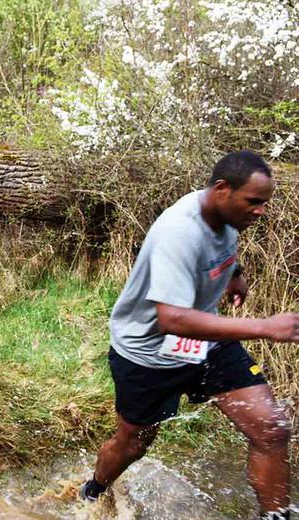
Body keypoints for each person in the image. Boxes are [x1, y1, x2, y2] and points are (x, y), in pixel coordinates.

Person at [81, 151, 297, 520]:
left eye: (264, 203)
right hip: (148, 354)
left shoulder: (226, 214)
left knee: (271, 429)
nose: (260, 211)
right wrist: (265, 327)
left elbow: (220, 244)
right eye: (254, 202)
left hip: (206, 342)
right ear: (222, 189)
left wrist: (234, 273)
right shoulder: (179, 230)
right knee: (133, 445)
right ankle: (93, 491)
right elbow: (174, 320)